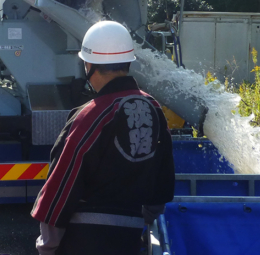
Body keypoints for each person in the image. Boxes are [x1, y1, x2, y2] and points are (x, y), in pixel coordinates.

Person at [31, 21, 175, 255]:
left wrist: (48, 247)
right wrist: (136, 223)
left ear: (89, 65)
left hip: (83, 242)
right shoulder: (154, 109)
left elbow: (61, 185)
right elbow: (162, 182)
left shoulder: (93, 114)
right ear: (128, 62)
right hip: (129, 241)